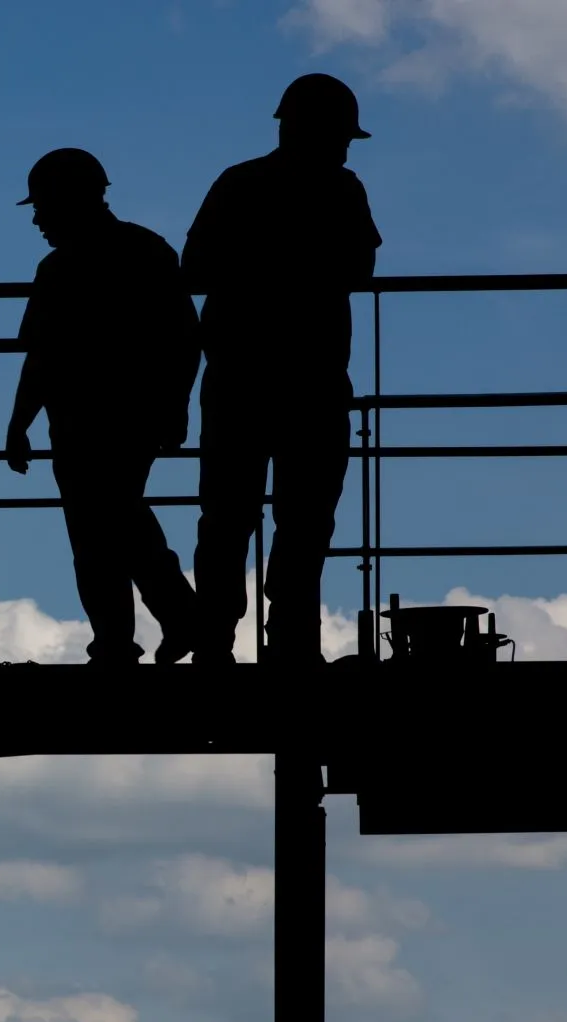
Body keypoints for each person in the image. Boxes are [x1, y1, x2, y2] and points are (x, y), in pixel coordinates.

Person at [185, 73, 382, 665]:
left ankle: (214, 643)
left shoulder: (239, 183)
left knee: (227, 518)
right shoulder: (342, 190)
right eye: (341, 136)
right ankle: (291, 643)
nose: (345, 148)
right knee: (305, 519)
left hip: (239, 378)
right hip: (312, 381)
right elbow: (360, 270)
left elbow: (194, 268)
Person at [4, 148, 202, 664]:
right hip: (128, 418)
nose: (38, 220)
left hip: (82, 422)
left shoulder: (59, 269)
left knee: (99, 530)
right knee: (117, 518)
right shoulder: (146, 251)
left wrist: (19, 425)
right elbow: (186, 339)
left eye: (42, 208)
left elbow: (41, 359)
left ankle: (131, 637)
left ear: (67, 202)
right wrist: (176, 408)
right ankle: (168, 622)